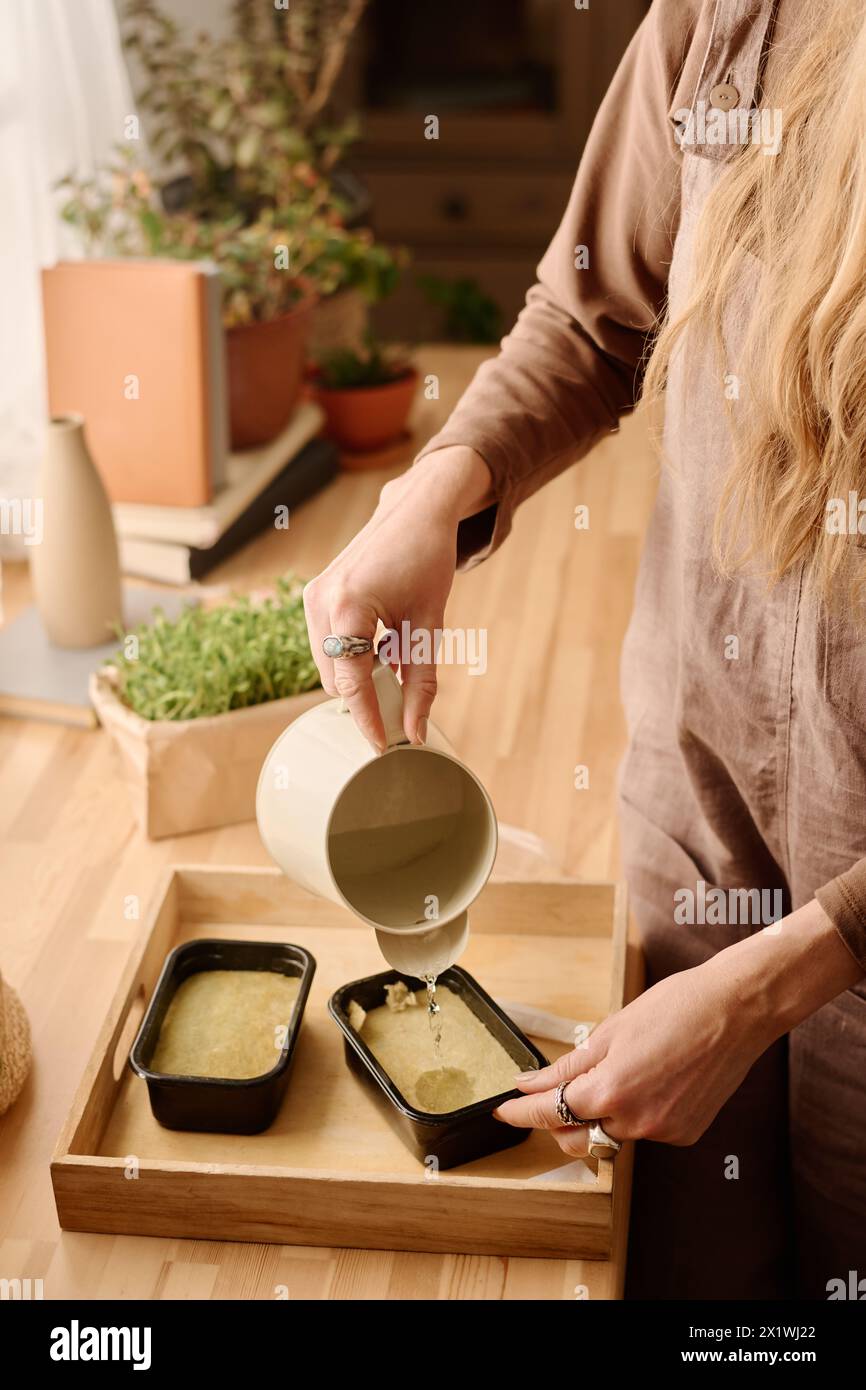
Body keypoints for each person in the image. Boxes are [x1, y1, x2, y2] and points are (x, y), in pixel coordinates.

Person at [303, 0, 866, 1298]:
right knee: (684, 1255)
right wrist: (434, 493)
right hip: (696, 789)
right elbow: (595, 312)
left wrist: (768, 985)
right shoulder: (733, 15)